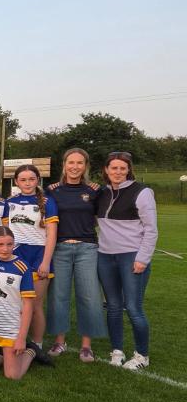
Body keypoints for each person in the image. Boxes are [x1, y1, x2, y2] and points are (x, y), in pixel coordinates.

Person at [96, 151, 158, 370]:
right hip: (105, 256)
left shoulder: (142, 192)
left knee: (133, 308)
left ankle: (142, 355)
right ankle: (117, 351)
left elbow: (151, 230)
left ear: (128, 170)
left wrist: (143, 258)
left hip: (131, 256)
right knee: (112, 307)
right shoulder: (101, 192)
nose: (118, 172)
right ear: (106, 170)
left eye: (122, 168)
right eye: (114, 168)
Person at [45, 149, 105, 362]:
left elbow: (100, 218)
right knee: (58, 296)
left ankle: (86, 346)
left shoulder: (95, 190)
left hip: (86, 248)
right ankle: (59, 341)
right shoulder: (52, 190)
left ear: (85, 166)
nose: (75, 167)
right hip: (59, 249)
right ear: (64, 164)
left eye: (80, 163)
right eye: (71, 162)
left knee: (88, 296)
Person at [3, 164, 58, 357]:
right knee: (14, 303)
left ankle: (37, 346)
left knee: (35, 305)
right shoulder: (9, 202)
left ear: (38, 180)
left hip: (38, 256)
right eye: (23, 180)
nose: (27, 183)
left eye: (31, 179)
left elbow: (51, 235)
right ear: (16, 182)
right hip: (15, 255)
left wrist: (45, 261)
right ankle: (16, 339)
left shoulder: (47, 202)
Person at [0, 226, 37, 380]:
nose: (5, 249)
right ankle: (3, 357)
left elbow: (28, 305)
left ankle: (31, 352)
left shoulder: (22, 267)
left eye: (9, 244)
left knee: (12, 376)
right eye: (0, 244)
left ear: (14, 244)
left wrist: (21, 338)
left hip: (10, 327)